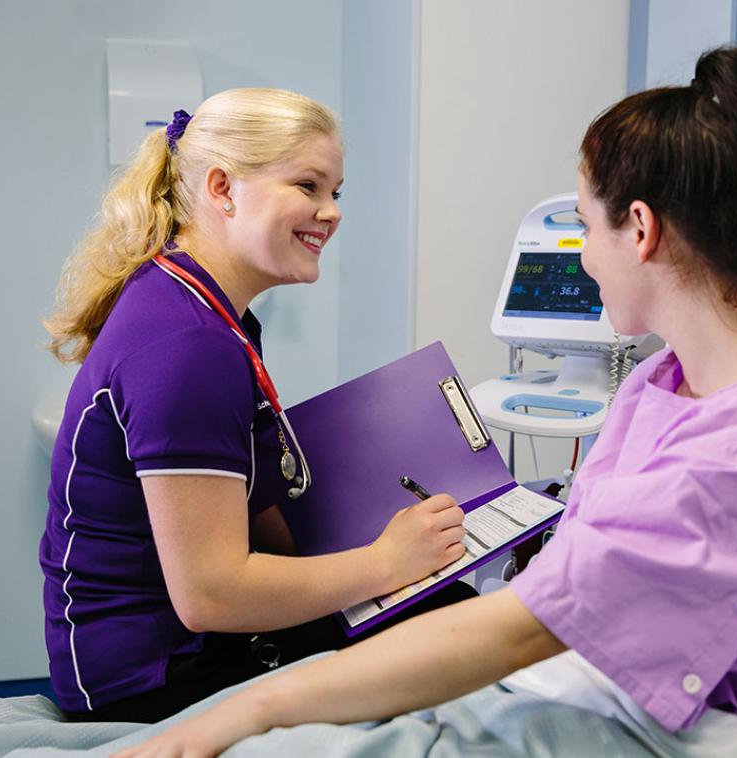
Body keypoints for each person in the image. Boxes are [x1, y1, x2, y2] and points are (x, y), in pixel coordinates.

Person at [115, 48, 737, 757]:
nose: (585, 258)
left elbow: (522, 631)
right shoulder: (663, 386)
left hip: (669, 729)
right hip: (578, 693)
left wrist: (255, 710)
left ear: (643, 231)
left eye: (587, 228)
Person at [39, 88, 473, 724]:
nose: (331, 212)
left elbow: (255, 505)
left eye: (336, 192)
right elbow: (210, 595)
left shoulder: (206, 308)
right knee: (460, 626)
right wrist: (384, 562)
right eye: (308, 185)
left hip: (164, 648)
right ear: (222, 188)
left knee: (441, 600)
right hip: (149, 679)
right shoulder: (187, 346)